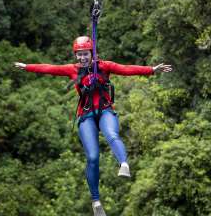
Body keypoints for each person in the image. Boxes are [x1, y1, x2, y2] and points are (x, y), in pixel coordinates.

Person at [14, 36, 172, 216]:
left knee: (112, 134)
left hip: (105, 111)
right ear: (76, 55)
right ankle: (96, 201)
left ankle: (123, 164)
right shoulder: (73, 70)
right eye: (79, 55)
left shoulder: (104, 66)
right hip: (86, 115)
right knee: (93, 157)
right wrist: (27, 67)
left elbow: (126, 69)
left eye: (85, 54)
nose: (82, 58)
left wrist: (151, 70)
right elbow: (49, 68)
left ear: (92, 53)